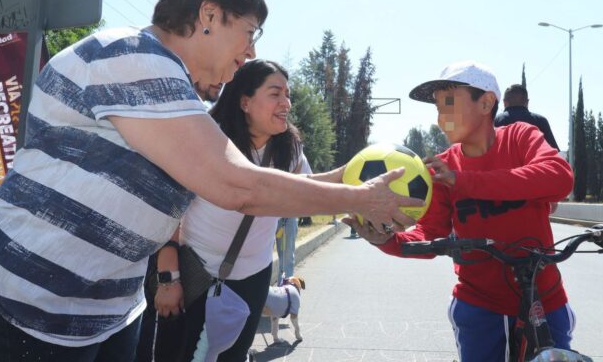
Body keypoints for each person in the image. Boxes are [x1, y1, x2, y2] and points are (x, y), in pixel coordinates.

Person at [0, 0, 419, 362]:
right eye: (248, 32)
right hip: (31, 302)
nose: (251, 52)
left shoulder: (177, 95)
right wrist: (359, 198)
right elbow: (238, 186)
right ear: (208, 15)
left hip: (106, 311)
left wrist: (358, 194)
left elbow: (260, 183)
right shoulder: (132, 56)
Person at [345, 61, 575, 362]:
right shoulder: (441, 169)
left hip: (545, 300)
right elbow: (430, 234)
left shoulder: (520, 137)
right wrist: (385, 240)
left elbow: (559, 177)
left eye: (450, 105)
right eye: (438, 109)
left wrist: (464, 181)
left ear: (487, 103)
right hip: (479, 306)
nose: (442, 119)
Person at [138, 59, 327, 362]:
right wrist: (168, 277)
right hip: (192, 272)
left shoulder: (290, 149)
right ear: (245, 102)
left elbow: (311, 191)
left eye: (288, 95)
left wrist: (362, 195)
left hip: (251, 280)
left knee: (231, 356)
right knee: (172, 354)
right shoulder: (208, 138)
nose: (287, 103)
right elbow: (168, 204)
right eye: (275, 94)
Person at [494, 84, 559, 151]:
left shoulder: (495, 121)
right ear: (527, 102)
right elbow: (553, 152)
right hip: (533, 161)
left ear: (504, 102)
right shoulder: (541, 121)